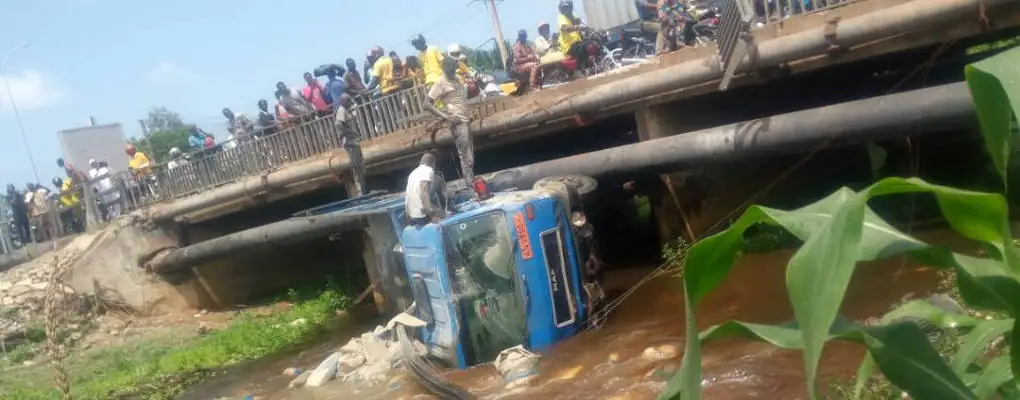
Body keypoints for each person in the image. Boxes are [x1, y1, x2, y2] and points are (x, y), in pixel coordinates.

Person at [424, 58, 475, 189]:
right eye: (452, 69)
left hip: (465, 119)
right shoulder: (441, 82)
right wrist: (446, 117)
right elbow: (427, 104)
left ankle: (471, 182)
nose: (453, 71)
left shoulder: (456, 79)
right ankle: (470, 186)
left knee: (469, 154)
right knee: (466, 156)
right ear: (446, 68)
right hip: (457, 121)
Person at [334, 93, 367, 195]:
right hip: (350, 141)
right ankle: (360, 190)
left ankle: (363, 187)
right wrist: (344, 134)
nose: (349, 102)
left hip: (353, 140)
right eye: (348, 100)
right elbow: (338, 124)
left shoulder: (346, 110)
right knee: (356, 165)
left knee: (360, 164)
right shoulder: (341, 110)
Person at [405, 152, 442, 226]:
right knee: (448, 216)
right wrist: (432, 216)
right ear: (433, 163)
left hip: (413, 215)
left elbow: (407, 196)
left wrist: (408, 216)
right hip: (423, 215)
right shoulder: (428, 170)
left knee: (443, 212)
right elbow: (424, 193)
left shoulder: (412, 174)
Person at [558, 0, 589, 72]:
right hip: (569, 46)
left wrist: (585, 29)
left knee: (589, 42)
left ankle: (590, 65)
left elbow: (579, 23)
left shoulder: (572, 17)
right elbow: (565, 28)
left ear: (570, 8)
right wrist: (577, 27)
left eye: (567, 7)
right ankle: (581, 69)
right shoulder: (561, 17)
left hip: (577, 43)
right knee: (584, 46)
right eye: (563, 8)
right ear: (561, 9)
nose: (566, 9)